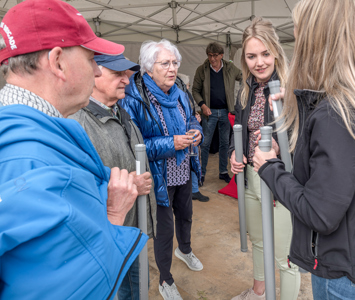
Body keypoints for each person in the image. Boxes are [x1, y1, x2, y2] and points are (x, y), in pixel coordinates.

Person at [0, 0, 148, 299]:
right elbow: (77, 288)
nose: (96, 71)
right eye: (92, 58)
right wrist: (114, 214)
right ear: (57, 62)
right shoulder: (32, 160)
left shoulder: (28, 134)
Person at [253, 0, 355, 299]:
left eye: (299, 30)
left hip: (344, 268)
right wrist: (300, 100)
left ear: (315, 36)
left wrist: (270, 169)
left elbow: (320, 213)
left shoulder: (338, 113)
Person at [119, 39, 204, 300]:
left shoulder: (179, 89)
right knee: (164, 230)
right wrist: (172, 143)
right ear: (147, 67)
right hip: (158, 177)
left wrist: (196, 131)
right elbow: (136, 145)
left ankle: (186, 250)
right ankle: (165, 279)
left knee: (186, 215)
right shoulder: (133, 99)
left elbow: (191, 117)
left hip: (183, 169)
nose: (172, 68)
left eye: (175, 62)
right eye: (165, 63)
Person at [69, 54, 157, 300]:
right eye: (117, 74)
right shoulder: (78, 123)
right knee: (126, 291)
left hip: (131, 227)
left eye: (127, 74)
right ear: (94, 74)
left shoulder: (119, 111)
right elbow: (76, 187)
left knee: (137, 287)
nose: (126, 80)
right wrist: (131, 183)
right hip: (109, 233)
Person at [228, 17, 300, 300]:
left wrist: (281, 153)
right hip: (251, 179)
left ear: (276, 52)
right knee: (258, 241)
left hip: (282, 180)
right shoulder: (246, 90)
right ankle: (259, 292)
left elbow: (305, 137)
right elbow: (244, 134)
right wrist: (237, 152)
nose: (259, 62)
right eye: (251, 56)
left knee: (285, 256)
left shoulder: (293, 87)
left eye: (265, 54)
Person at [192, 42, 242, 184]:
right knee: (205, 143)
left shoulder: (230, 68)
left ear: (221, 55)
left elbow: (243, 76)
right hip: (209, 113)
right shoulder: (202, 70)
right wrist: (203, 105)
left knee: (225, 143)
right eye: (209, 55)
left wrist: (241, 97)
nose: (212, 59)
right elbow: (195, 90)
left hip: (227, 112)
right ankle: (201, 174)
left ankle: (223, 172)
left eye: (215, 55)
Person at [177, 73, 209, 202]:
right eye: (188, 85)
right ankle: (192, 190)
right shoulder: (180, 95)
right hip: (184, 138)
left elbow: (189, 113)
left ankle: (194, 190)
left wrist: (195, 119)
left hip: (191, 136)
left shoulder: (185, 95)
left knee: (194, 161)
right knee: (190, 162)